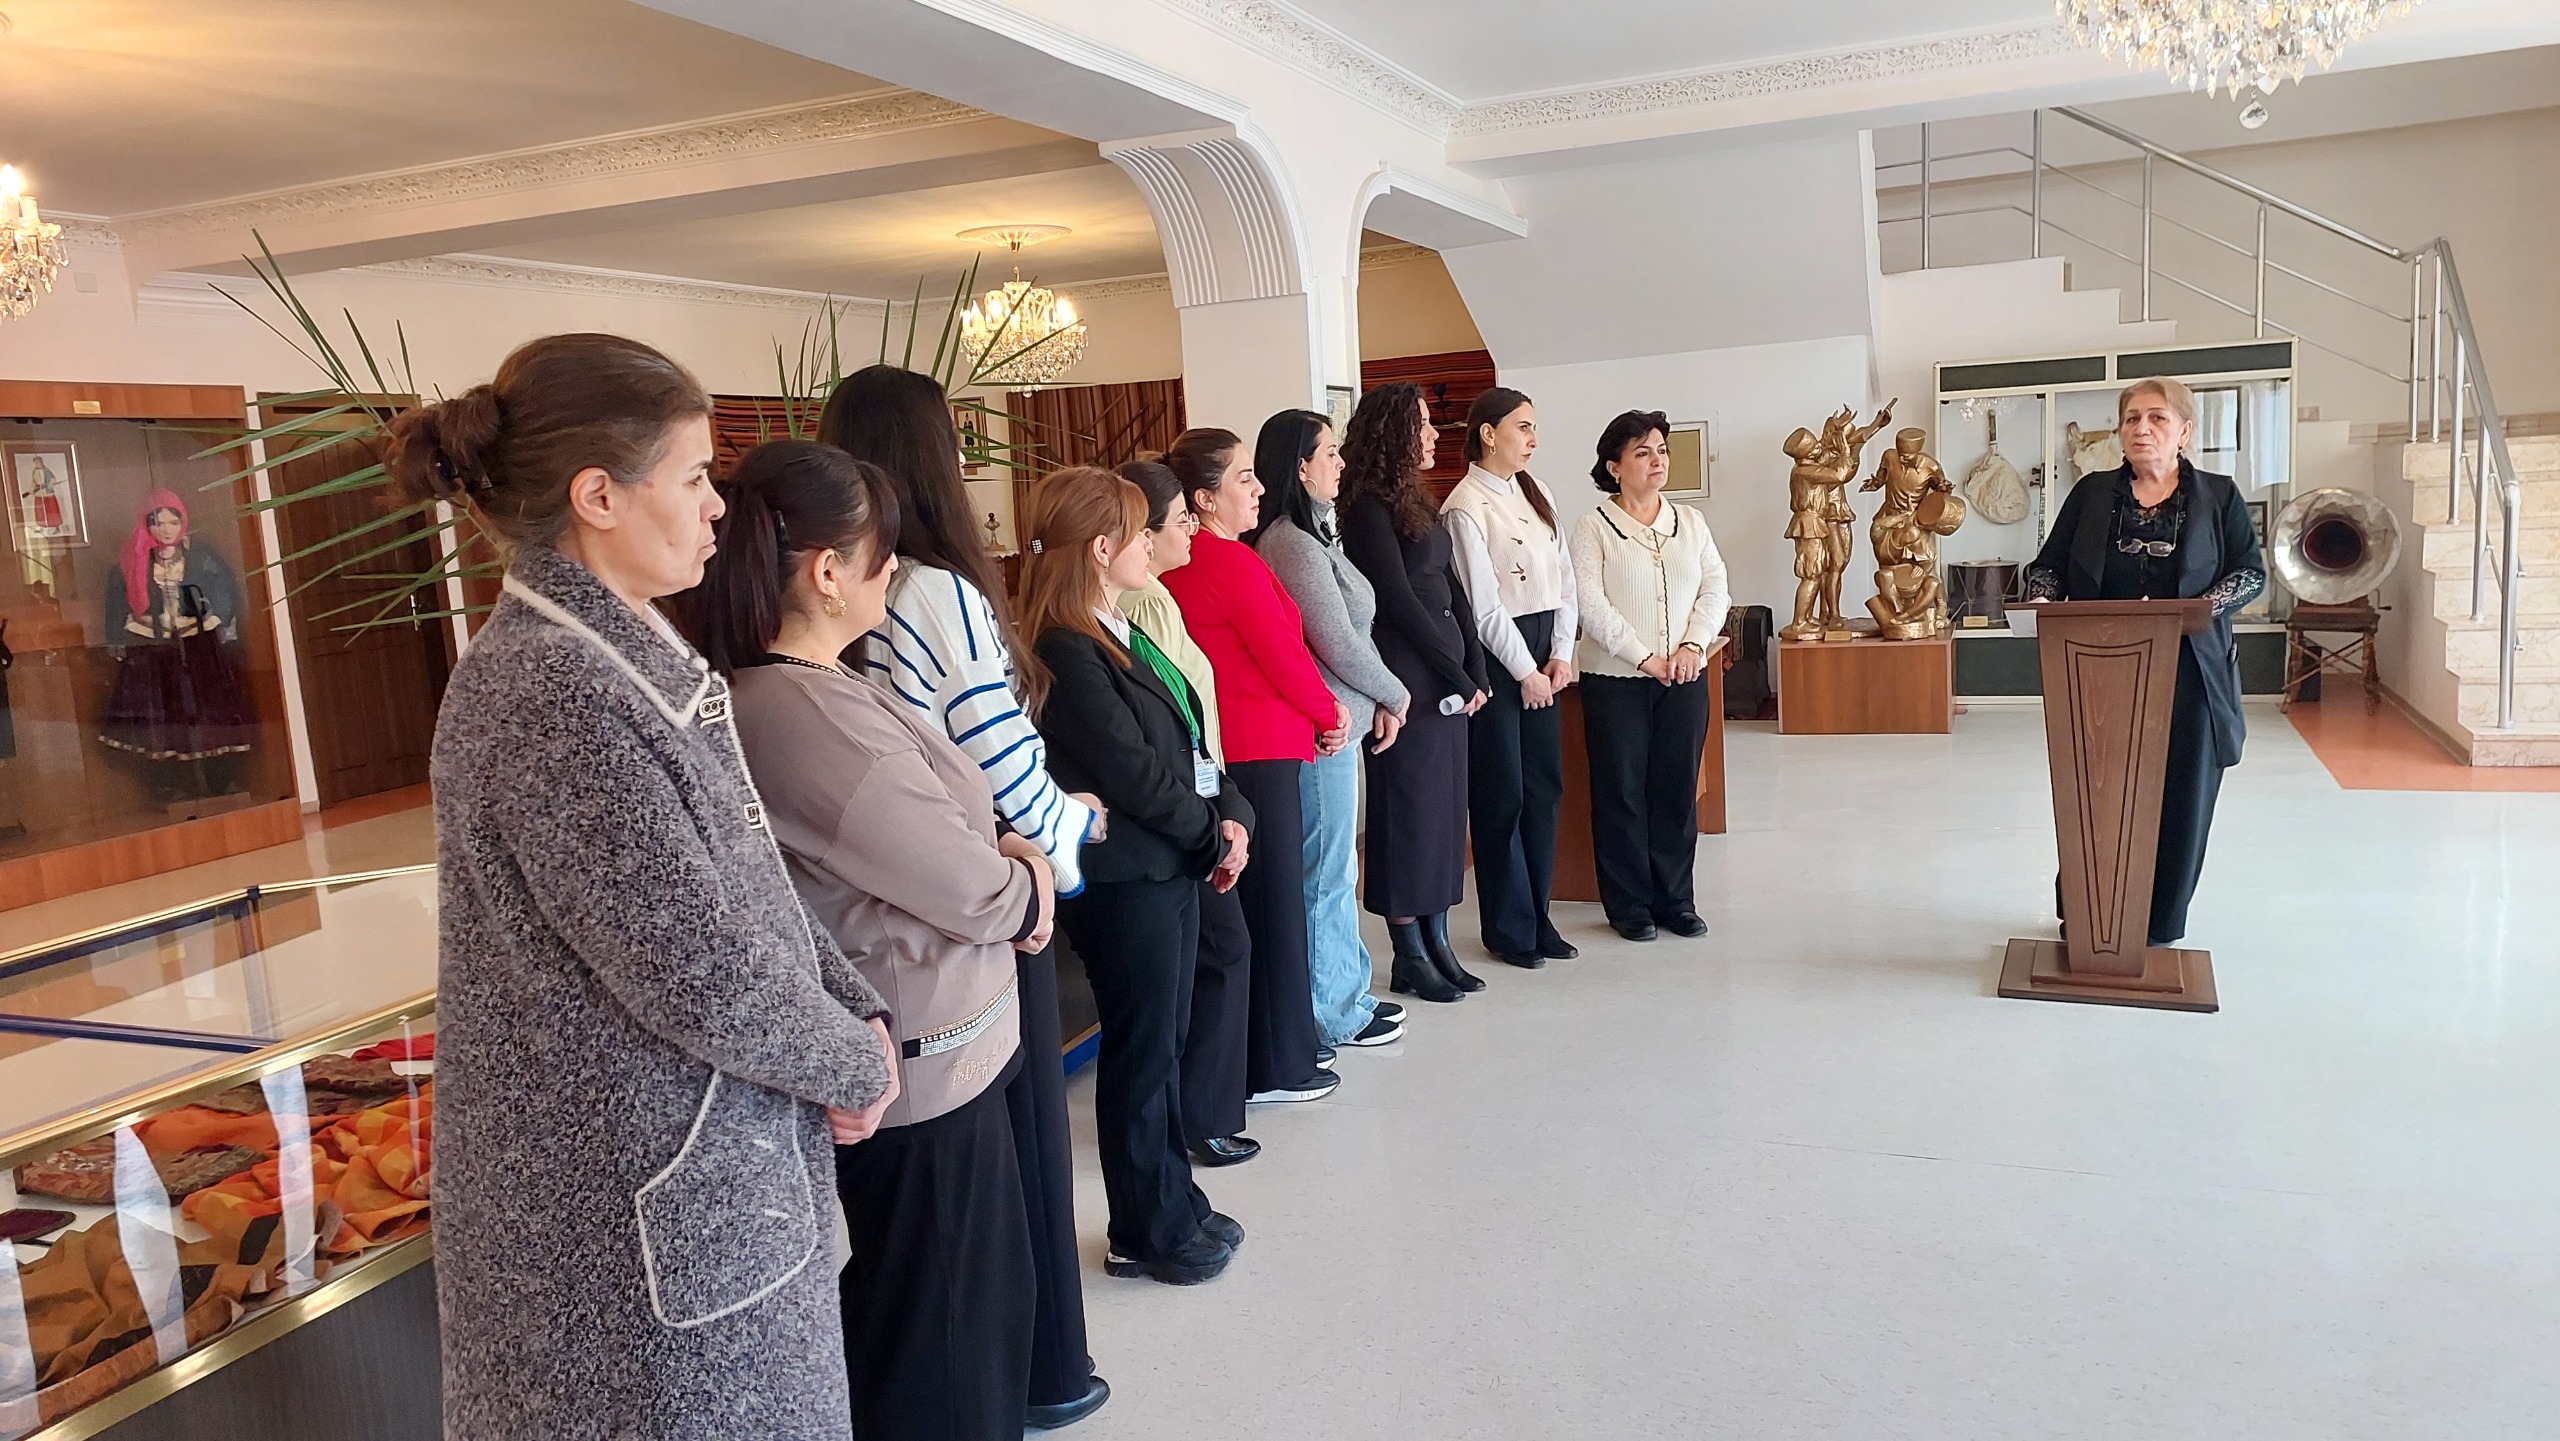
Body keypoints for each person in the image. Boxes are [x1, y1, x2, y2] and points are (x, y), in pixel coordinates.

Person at [401, 334, 895, 1439]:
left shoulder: (613, 656)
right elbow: (696, 968)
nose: (717, 505)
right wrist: (850, 1056)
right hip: (624, 1216)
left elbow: (743, 884)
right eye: (694, 475)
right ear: (599, 497)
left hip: (688, 1178)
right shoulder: (553, 690)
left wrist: (849, 1004)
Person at [680, 440, 1049, 1441]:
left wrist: (1001, 850)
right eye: (882, 555)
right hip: (923, 1077)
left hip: (944, 1056)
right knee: (945, 1351)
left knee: (959, 1325)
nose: (896, 572)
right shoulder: (800, 713)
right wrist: (1028, 879)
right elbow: (969, 882)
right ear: (827, 571)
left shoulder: (814, 685)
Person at [818, 365, 1109, 1431]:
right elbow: (999, 762)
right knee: (1004, 1178)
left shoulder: (846, 600)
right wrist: (1065, 844)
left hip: (887, 918)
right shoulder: (933, 590)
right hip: (980, 906)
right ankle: (1043, 1371)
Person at [1021, 466, 1255, 1286]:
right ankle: (1143, 1228)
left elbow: (1189, 734)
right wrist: (1211, 837)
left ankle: (1173, 1200)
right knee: (1142, 1051)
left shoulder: (1117, 627)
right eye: (1138, 529)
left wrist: (1230, 814)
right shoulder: (1065, 644)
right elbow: (1134, 774)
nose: (1154, 541)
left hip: (1169, 866)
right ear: (1100, 547)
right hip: (1129, 880)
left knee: (1166, 1042)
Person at [2022, 376, 2264, 947]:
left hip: (2191, 672)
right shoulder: (2091, 494)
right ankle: (2090, 918)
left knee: (2182, 795)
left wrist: (2204, 607)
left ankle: (2158, 927)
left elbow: (2250, 573)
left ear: (2184, 431)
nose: (2142, 429)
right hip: (2099, 667)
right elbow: (2048, 566)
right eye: (2131, 418)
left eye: (2157, 418)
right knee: (2097, 792)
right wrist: (2042, 599)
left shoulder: (2219, 496)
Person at [1160, 428, 1347, 1106]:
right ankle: (1276, 1062)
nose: (1260, 487)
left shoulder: (1207, 558)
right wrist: (1327, 710)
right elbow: (1281, 652)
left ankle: (1280, 1050)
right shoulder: (1224, 562)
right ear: (1204, 499)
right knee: (1274, 907)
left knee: (1265, 905)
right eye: (1243, 477)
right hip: (1257, 746)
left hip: (1246, 744)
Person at [1249, 409, 1411, 1050]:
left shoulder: (1313, 533)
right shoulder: (1289, 542)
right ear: (1300, 467)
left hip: (1341, 722)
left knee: (1338, 866)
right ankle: (1332, 1012)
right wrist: (1394, 693)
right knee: (1326, 872)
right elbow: (1335, 641)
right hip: (1322, 731)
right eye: (1330, 453)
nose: (1341, 464)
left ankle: (1347, 995)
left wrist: (1379, 698)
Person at [1117, 459, 1258, 1168]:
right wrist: (1212, 818)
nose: (1190, 532)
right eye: (1179, 522)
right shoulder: (1144, 603)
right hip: (1183, 818)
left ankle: (1200, 1111)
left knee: (1216, 955)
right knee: (1218, 954)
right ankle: (1199, 1115)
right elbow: (1169, 726)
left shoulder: (1159, 597)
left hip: (1203, 799)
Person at [1338, 383, 1490, 1003]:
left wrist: (1475, 665)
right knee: (1408, 814)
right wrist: (1453, 673)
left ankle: (1438, 940)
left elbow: (1453, 590)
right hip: (1407, 677)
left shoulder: (1417, 500)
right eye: (1422, 424)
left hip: (1445, 674)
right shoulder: (1365, 508)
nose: (1433, 434)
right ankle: (1409, 952)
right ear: (1392, 433)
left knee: (1446, 813)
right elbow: (1397, 603)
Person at [1569, 410, 1730, 943]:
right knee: (1621, 792)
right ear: (1614, 467)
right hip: (1616, 682)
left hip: (1684, 677)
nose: (1657, 460)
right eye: (1642, 452)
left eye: (1661, 450)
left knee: (1676, 790)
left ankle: (1676, 901)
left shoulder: (1691, 522)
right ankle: (1629, 905)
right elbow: (1590, 603)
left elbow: (1715, 588)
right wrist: (1644, 658)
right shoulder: (1593, 526)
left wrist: (1692, 646)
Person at [1442, 387, 1579, 969]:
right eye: (1523, 427)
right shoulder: (1465, 506)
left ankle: (1539, 916)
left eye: (1534, 428)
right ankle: (1508, 926)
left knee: (1543, 788)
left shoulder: (1536, 490)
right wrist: (1525, 670)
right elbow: (1483, 606)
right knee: (1504, 795)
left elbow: (1565, 580)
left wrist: (1562, 653)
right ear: (1488, 433)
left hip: (1545, 654)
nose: (1533, 439)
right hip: (1500, 660)